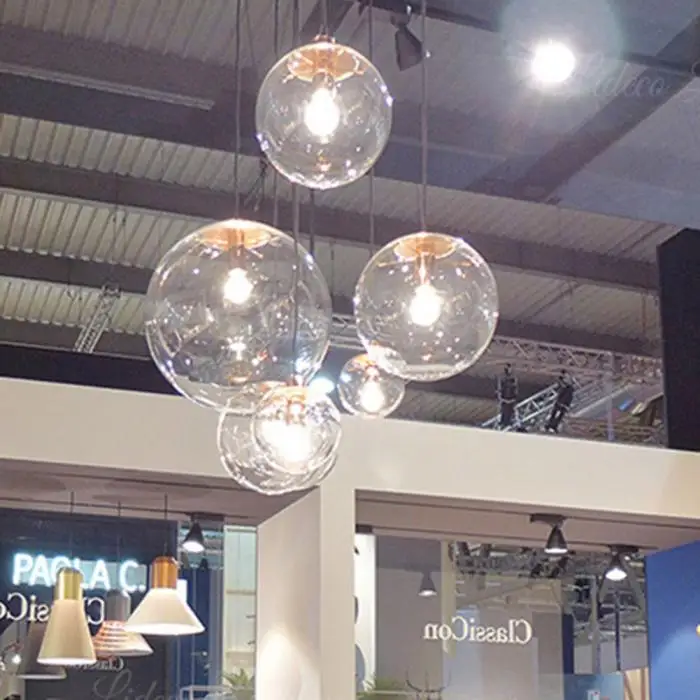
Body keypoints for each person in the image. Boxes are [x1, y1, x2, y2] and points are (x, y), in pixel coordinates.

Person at [497, 364, 518, 428]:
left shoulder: (514, 378)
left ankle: (509, 421)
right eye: (508, 369)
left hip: (511, 399)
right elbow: (499, 388)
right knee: (503, 410)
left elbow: (515, 388)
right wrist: (500, 397)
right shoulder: (502, 377)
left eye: (510, 369)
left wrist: (514, 398)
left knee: (510, 411)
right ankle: (502, 422)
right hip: (504, 398)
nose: (509, 370)